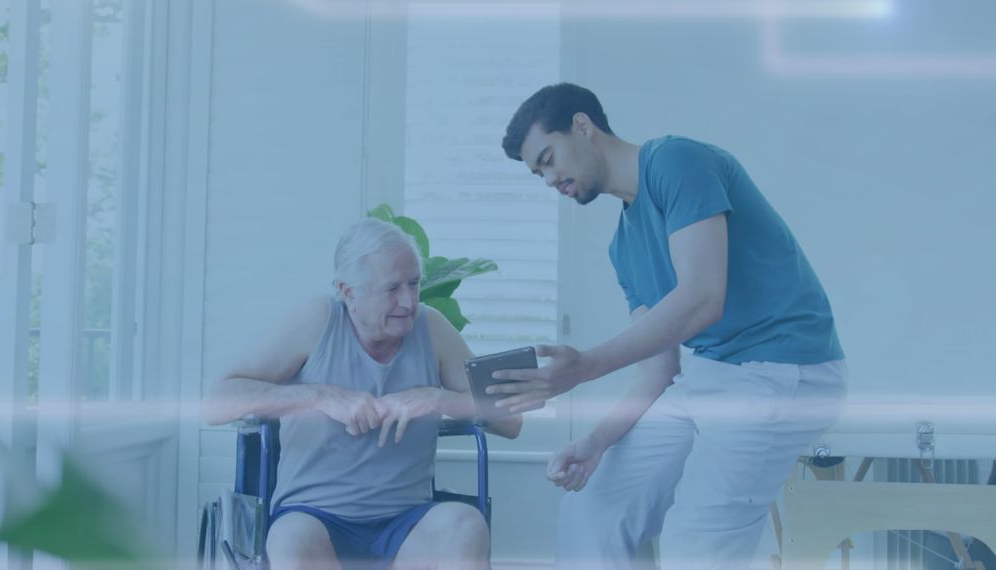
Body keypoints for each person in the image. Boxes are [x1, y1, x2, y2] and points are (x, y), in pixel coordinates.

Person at [493, 83, 846, 570]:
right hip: (710, 375)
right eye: (539, 173)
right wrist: (595, 443)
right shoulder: (623, 248)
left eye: (549, 159)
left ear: (582, 125)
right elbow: (658, 372)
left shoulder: (674, 161)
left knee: (694, 544)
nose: (550, 179)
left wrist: (584, 367)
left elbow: (703, 299)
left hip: (781, 369)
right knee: (592, 507)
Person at [202, 218, 522, 570]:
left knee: (465, 525)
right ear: (348, 292)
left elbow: (511, 419)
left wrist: (437, 398)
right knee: (290, 539)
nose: (408, 301)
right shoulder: (317, 321)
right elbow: (216, 402)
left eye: (414, 284)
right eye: (392, 289)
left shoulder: (430, 327)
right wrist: (320, 397)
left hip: (406, 523)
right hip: (315, 518)